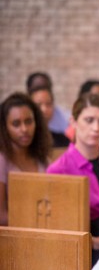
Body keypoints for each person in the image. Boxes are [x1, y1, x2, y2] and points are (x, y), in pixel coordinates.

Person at [47, 94, 99, 266]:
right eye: (89, 120)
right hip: (88, 248)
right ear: (73, 122)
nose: (96, 128)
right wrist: (97, 241)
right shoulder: (59, 169)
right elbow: (57, 229)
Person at [0, 93, 51, 225]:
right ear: (5, 128)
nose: (24, 129)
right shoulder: (2, 161)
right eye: (16, 124)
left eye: (29, 121)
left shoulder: (43, 159)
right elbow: (1, 215)